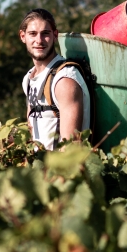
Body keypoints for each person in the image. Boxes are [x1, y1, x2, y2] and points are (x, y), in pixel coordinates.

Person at [20, 8, 91, 149]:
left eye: (45, 34)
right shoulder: (28, 79)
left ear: (55, 35)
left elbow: (70, 147)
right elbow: (31, 132)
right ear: (23, 37)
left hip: (60, 169)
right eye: (32, 34)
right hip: (38, 168)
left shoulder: (64, 80)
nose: (39, 41)